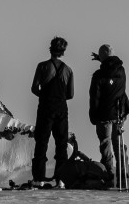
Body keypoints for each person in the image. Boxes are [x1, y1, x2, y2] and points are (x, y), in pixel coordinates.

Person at [30, 37, 74, 188]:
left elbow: (34, 88)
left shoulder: (42, 66)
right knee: (61, 145)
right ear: (63, 51)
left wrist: (45, 96)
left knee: (41, 143)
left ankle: (38, 178)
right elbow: (70, 94)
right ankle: (61, 179)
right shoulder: (68, 70)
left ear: (50, 49)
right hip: (61, 109)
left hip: (45, 108)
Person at [89, 44, 129, 185]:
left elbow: (94, 98)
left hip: (103, 116)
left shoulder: (98, 75)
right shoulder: (122, 72)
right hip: (119, 114)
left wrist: (93, 116)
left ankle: (109, 177)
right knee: (119, 145)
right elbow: (112, 71)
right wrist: (103, 60)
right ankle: (123, 177)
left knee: (105, 145)